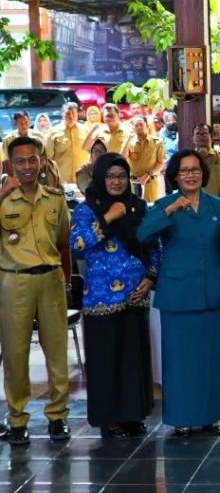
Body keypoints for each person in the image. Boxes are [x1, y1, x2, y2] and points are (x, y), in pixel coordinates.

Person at [137, 149, 220, 437]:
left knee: (210, 359)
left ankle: (210, 417)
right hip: (177, 294)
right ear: (175, 176)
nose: (190, 175)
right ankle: (180, 418)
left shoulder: (218, 206)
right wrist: (170, 211)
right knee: (179, 360)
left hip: (212, 293)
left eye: (195, 170)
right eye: (184, 171)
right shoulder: (164, 204)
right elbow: (143, 234)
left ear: (203, 174)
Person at [71, 152, 158, 438]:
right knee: (106, 360)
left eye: (121, 176)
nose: (116, 182)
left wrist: (150, 277)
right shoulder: (87, 210)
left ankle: (133, 415)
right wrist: (108, 218)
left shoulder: (139, 207)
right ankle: (110, 419)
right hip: (101, 300)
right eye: (110, 176)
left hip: (136, 295)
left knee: (133, 360)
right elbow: (77, 244)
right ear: (99, 178)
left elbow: (153, 246)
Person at [0, 136, 69, 445]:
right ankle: (17, 419)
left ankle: (58, 416)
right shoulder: (4, 198)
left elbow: (63, 241)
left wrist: (67, 281)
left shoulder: (54, 198)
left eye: (32, 160)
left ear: (42, 161)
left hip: (51, 279)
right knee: (15, 353)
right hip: (15, 281)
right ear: (10, 164)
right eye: (20, 161)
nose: (27, 166)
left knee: (56, 351)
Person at [125, 115, 166, 202]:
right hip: (134, 182)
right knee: (134, 207)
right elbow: (123, 157)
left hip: (151, 182)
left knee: (151, 207)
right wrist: (128, 139)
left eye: (141, 124)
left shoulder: (157, 142)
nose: (139, 127)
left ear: (147, 126)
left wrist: (148, 174)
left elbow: (161, 163)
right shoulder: (129, 143)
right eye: (136, 125)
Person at [190, 123, 220, 199]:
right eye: (198, 134)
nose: (201, 136)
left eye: (205, 133)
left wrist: (219, 203)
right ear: (193, 138)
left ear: (211, 137)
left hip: (214, 201)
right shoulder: (187, 157)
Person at [48, 102, 87, 185]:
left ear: (77, 114)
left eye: (73, 113)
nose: (71, 116)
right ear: (62, 114)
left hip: (83, 178)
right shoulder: (53, 132)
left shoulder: (86, 130)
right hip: (62, 179)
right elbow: (48, 157)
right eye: (67, 114)